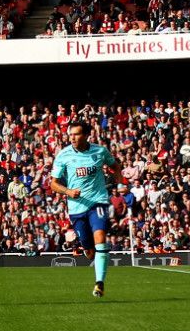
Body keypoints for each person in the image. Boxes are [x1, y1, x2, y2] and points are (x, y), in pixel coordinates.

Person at [49, 119, 123, 299]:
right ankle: (88, 250)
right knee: (90, 253)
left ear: (86, 135)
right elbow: (53, 184)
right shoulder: (63, 155)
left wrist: (120, 184)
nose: (72, 137)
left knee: (101, 237)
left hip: (98, 201)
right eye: (71, 134)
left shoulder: (100, 151)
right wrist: (68, 191)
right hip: (76, 207)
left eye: (76, 134)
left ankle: (100, 283)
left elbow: (115, 167)